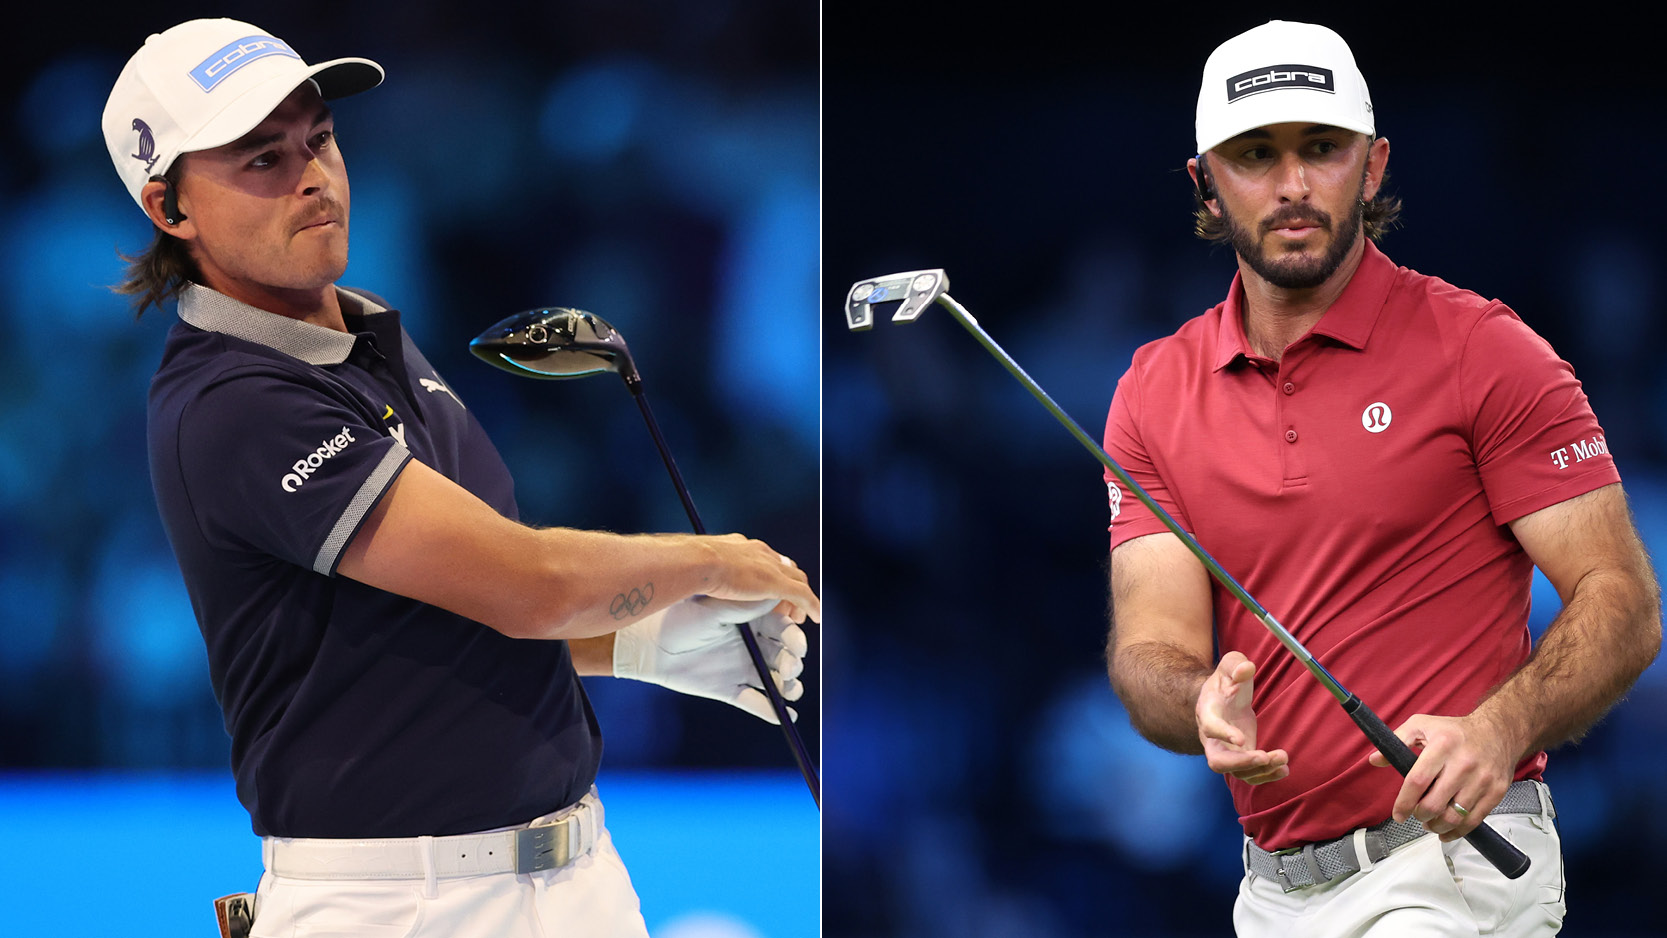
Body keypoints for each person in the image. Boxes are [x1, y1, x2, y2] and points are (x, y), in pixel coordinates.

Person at [101, 18, 819, 938]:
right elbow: (528, 587)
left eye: (318, 139)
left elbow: (432, 626)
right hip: (399, 906)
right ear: (171, 210)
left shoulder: (365, 337)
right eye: (261, 161)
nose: (312, 176)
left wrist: (632, 646)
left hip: (577, 877)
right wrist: (715, 560)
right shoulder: (234, 400)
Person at [1101, 20, 1660, 936]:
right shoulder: (1153, 392)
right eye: (1254, 156)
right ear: (1204, 182)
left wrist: (1497, 731)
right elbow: (1150, 650)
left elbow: (1623, 599)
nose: (1291, 184)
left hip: (1454, 871)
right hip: (1270, 895)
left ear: (1372, 165)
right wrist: (1192, 700)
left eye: (1320, 149)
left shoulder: (1483, 350)